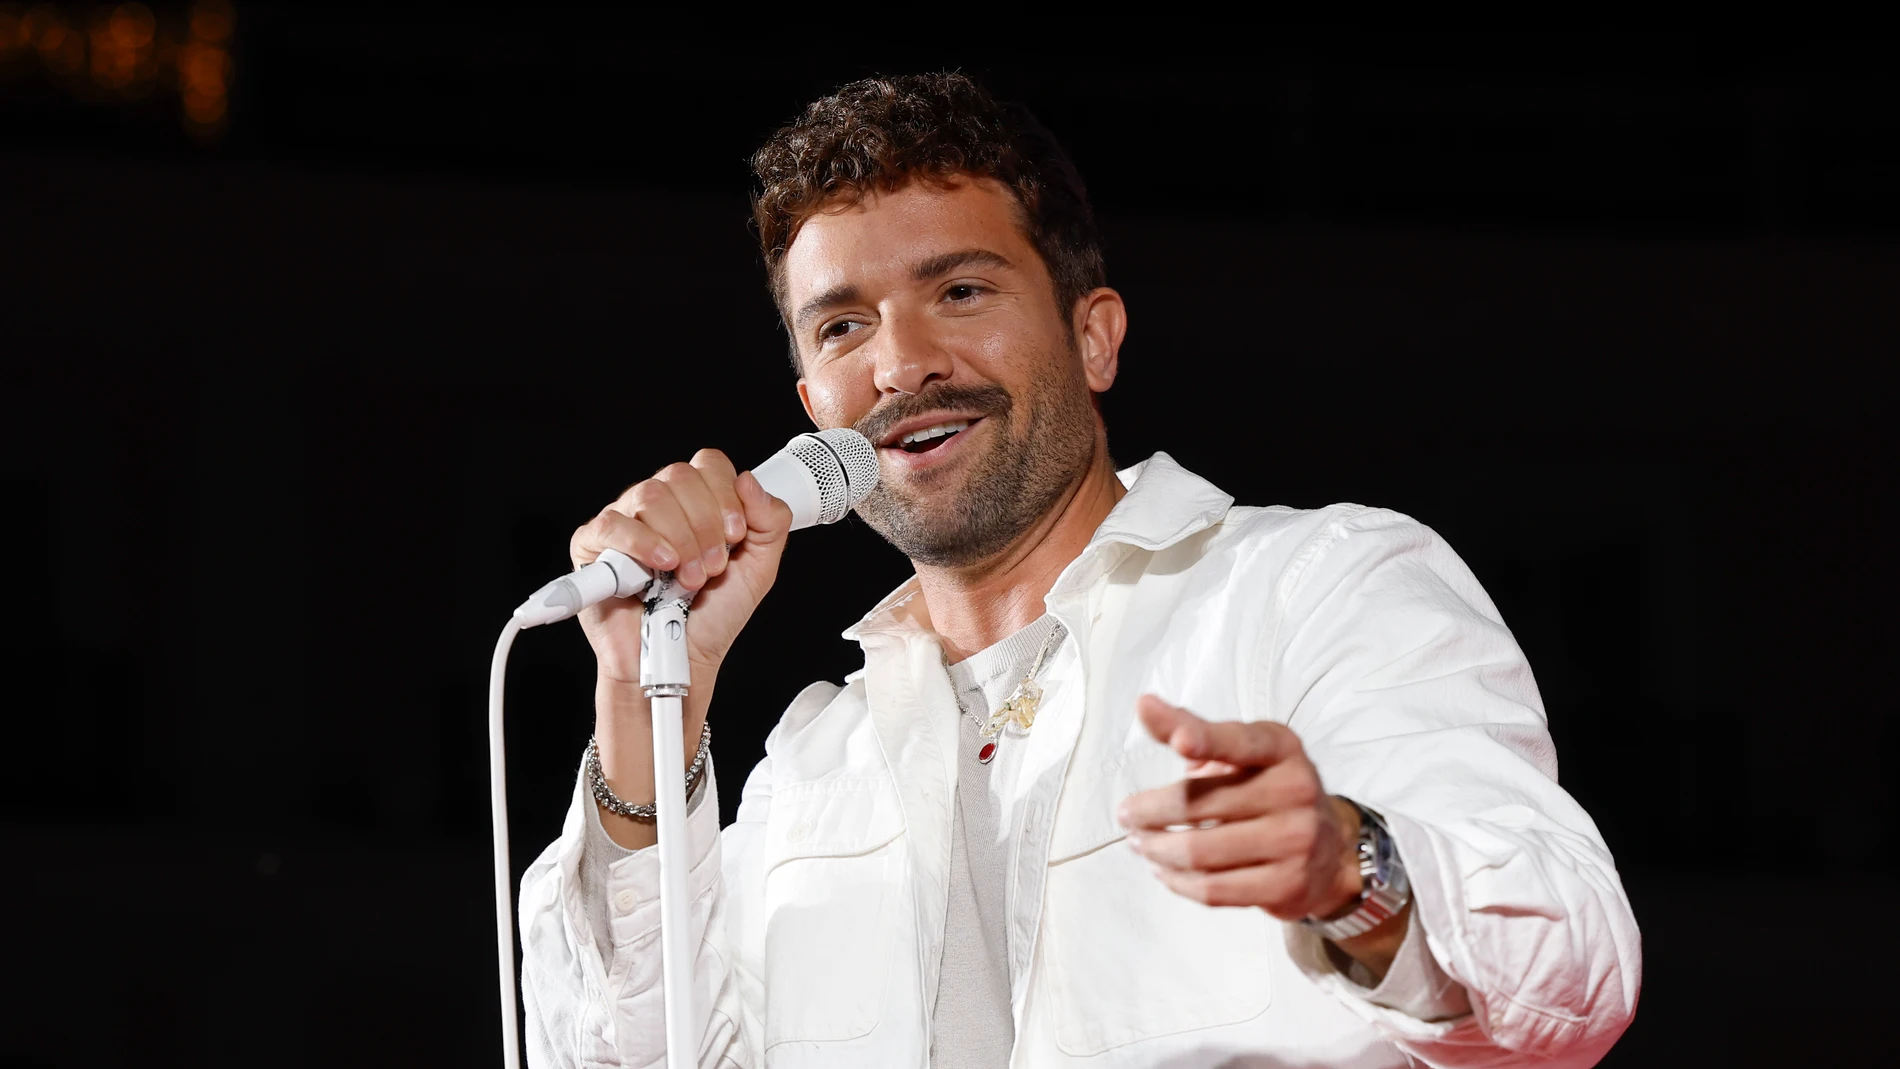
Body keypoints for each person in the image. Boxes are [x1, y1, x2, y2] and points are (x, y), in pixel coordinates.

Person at [518, 72, 1640, 1068]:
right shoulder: (812, 766)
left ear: (1093, 337)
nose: (903, 362)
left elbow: (1578, 971)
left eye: (960, 291)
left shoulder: (1319, 588)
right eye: (844, 327)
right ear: (815, 411)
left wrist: (1355, 869)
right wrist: (642, 695)